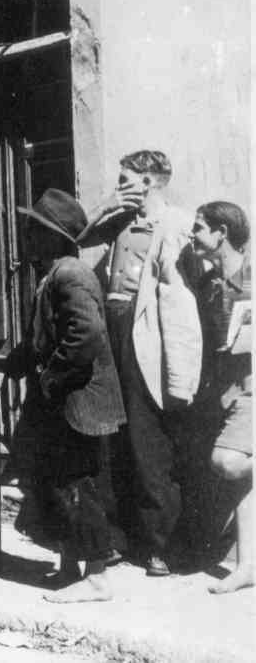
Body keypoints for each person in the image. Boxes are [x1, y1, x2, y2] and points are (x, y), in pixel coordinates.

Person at [77, 150, 202, 576]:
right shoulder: (117, 220)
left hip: (147, 334)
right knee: (111, 436)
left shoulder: (179, 223)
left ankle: (161, 546)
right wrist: (109, 203)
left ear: (148, 182)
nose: (120, 183)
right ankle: (117, 536)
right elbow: (75, 235)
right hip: (110, 331)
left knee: (149, 441)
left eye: (126, 178)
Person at [7, 189, 126, 603]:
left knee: (79, 485)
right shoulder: (55, 272)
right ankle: (70, 567)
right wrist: (19, 361)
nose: (25, 235)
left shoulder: (70, 273)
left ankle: (95, 579)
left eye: (32, 229)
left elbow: (85, 335)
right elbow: (49, 334)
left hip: (78, 400)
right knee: (58, 483)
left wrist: (48, 378)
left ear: (52, 236)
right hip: (63, 398)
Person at [187, 201, 252, 593]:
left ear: (221, 232)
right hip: (222, 392)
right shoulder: (208, 284)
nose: (192, 235)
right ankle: (248, 566)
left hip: (252, 389)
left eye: (198, 228)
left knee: (227, 463)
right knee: (239, 478)